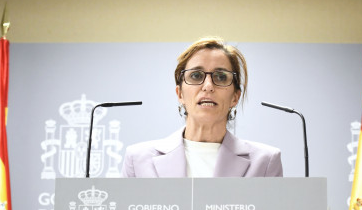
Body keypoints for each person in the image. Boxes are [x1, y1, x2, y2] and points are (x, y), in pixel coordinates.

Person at [121, 37, 283, 178]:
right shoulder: (138, 160)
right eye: (196, 75)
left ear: (235, 97)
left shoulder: (265, 162)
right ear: (180, 94)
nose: (208, 86)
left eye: (221, 77)